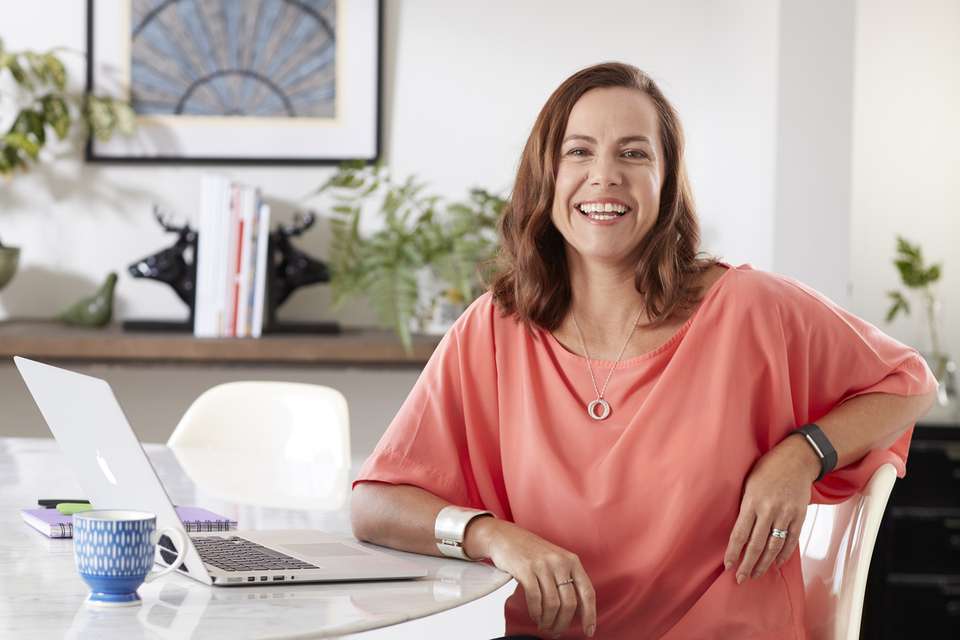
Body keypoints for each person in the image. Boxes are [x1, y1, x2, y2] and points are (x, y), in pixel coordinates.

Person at [349, 62, 938, 639]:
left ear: (666, 181)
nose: (605, 175)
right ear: (544, 176)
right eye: (578, 152)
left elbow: (910, 383)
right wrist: (491, 534)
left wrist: (801, 455)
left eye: (633, 153)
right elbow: (375, 505)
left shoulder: (751, 308)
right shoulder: (496, 330)